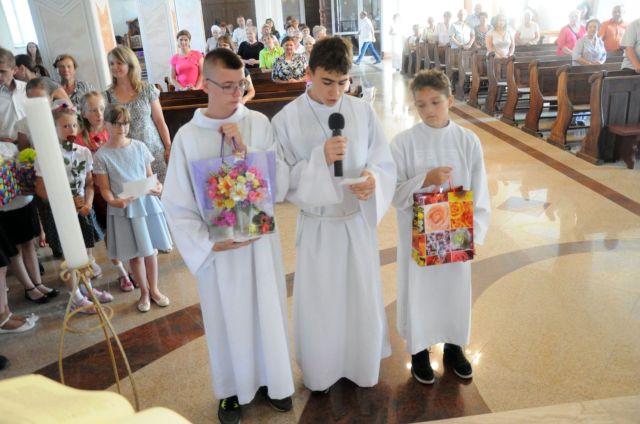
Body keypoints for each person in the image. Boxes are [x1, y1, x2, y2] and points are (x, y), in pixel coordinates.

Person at [162, 47, 294, 424]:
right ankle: (231, 393)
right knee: (226, 321)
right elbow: (176, 203)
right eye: (227, 86)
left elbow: (280, 183)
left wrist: (246, 152)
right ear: (205, 84)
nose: (237, 93)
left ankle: (272, 381)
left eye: (241, 84)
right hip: (218, 252)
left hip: (258, 246)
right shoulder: (187, 137)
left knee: (266, 312)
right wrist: (207, 243)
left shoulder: (258, 124)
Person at [273, 36, 396, 393]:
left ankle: (360, 363)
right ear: (309, 73)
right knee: (322, 303)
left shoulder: (361, 111)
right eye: (326, 82)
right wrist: (320, 158)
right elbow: (280, 181)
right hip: (319, 226)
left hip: (355, 222)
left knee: (359, 298)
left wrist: (373, 179)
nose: (335, 92)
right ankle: (321, 372)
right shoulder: (287, 119)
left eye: (342, 83)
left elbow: (382, 159)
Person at [390, 69, 490, 385]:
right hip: (417, 234)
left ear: (450, 100)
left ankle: (454, 348)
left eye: (435, 102)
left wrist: (475, 233)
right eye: (421, 104)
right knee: (420, 293)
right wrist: (425, 180)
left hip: (457, 229)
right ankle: (419, 351)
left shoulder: (468, 141)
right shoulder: (403, 143)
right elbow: (394, 194)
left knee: (454, 292)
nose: (429, 110)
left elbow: (480, 189)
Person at [93, 104, 172, 312]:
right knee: (135, 254)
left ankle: (155, 289)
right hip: (124, 208)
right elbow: (105, 189)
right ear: (106, 124)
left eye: (125, 123)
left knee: (150, 251)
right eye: (117, 124)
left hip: (145, 204)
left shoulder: (139, 147)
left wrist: (157, 186)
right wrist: (113, 201)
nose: (122, 128)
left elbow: (149, 176)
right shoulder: (102, 155)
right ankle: (144, 292)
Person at [35, 103, 112, 313]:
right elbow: (41, 189)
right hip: (60, 212)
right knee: (69, 257)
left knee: (84, 253)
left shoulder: (83, 152)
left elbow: (89, 183)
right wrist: (64, 202)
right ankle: (75, 297)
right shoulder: (47, 154)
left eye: (74, 125)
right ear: (54, 129)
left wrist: (88, 203)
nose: (71, 129)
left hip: (81, 209)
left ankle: (87, 288)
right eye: (65, 126)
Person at [77, 92, 136, 292]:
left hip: (118, 189)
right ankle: (121, 271)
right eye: (93, 110)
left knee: (127, 231)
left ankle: (133, 267)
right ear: (84, 113)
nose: (99, 114)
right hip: (96, 193)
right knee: (109, 233)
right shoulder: (79, 139)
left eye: (102, 109)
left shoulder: (113, 131)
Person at [0, 139, 59, 305]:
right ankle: (29, 287)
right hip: (4, 208)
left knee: (29, 244)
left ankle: (38, 283)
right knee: (14, 250)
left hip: (24, 201)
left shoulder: (10, 146)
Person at [105, 46, 171, 182]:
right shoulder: (107, 96)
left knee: (162, 189)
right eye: (111, 63)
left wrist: (168, 147)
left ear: (130, 64)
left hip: (153, 149)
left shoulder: (147, 89)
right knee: (138, 191)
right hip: (127, 155)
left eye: (119, 63)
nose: (114, 67)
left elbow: (159, 121)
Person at [217, 35, 256, 103]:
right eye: (220, 45)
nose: (222, 47)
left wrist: (243, 100)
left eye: (225, 45)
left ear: (231, 48)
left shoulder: (241, 69)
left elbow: (251, 91)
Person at [0, 48, 28, 143]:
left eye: (2, 71)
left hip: (33, 143)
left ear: (14, 70)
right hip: (5, 146)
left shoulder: (28, 89)